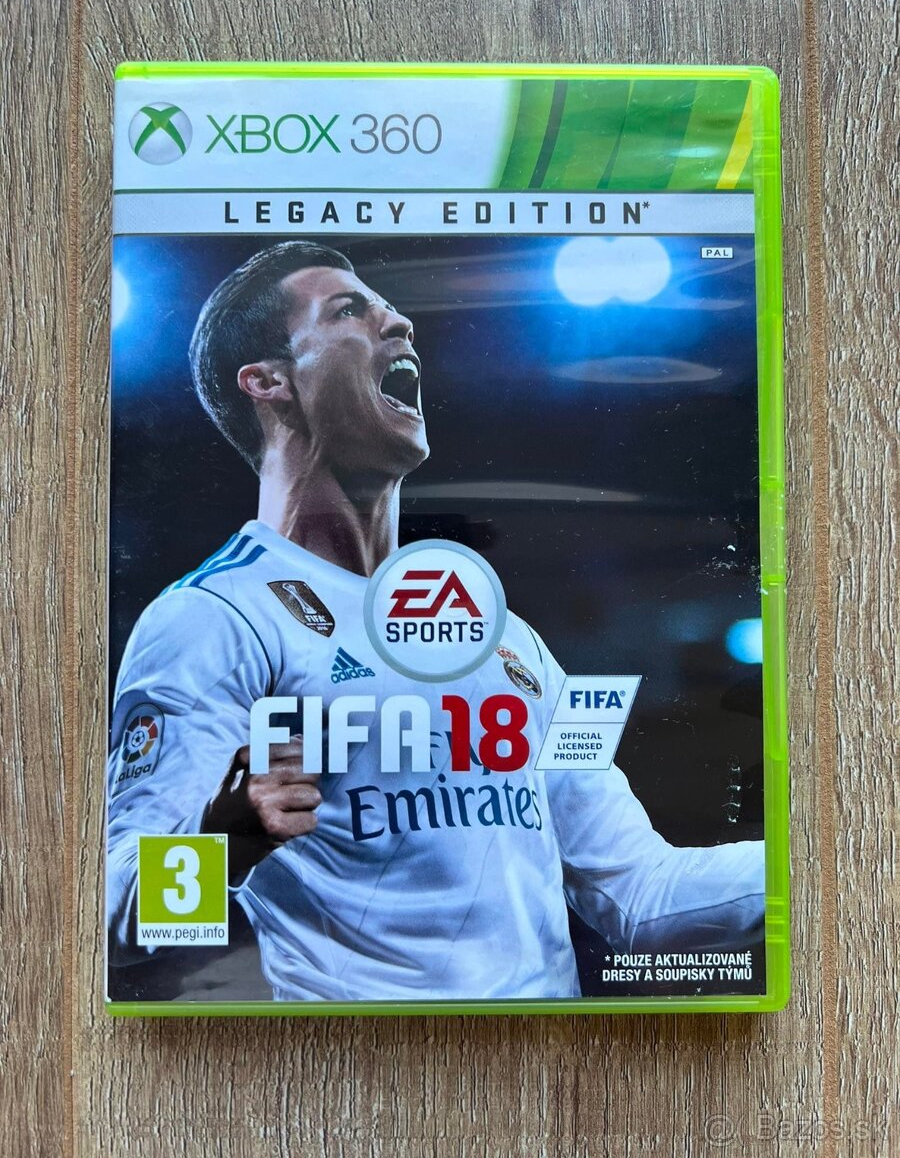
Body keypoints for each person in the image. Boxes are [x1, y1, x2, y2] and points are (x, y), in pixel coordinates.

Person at [107, 241, 765, 1002]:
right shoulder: (213, 617)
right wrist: (221, 846)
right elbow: (116, 917)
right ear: (269, 381)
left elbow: (643, 895)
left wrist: (814, 862)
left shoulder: (508, 639)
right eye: (349, 311)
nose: (400, 324)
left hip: (546, 1063)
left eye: (390, 308)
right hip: (357, 1064)